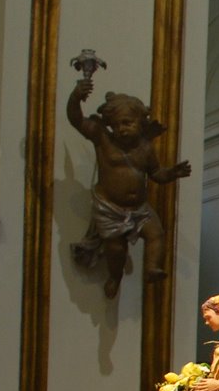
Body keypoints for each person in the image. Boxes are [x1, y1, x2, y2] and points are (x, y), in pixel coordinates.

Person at [67, 80, 191, 298]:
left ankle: (152, 268)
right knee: (116, 250)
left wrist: (172, 173)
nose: (121, 129)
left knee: (156, 234)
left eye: (127, 123)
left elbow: (156, 173)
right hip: (111, 208)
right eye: (116, 125)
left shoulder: (145, 148)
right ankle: (115, 276)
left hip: (139, 208)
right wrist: (76, 96)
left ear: (140, 123)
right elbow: (76, 119)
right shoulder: (103, 139)